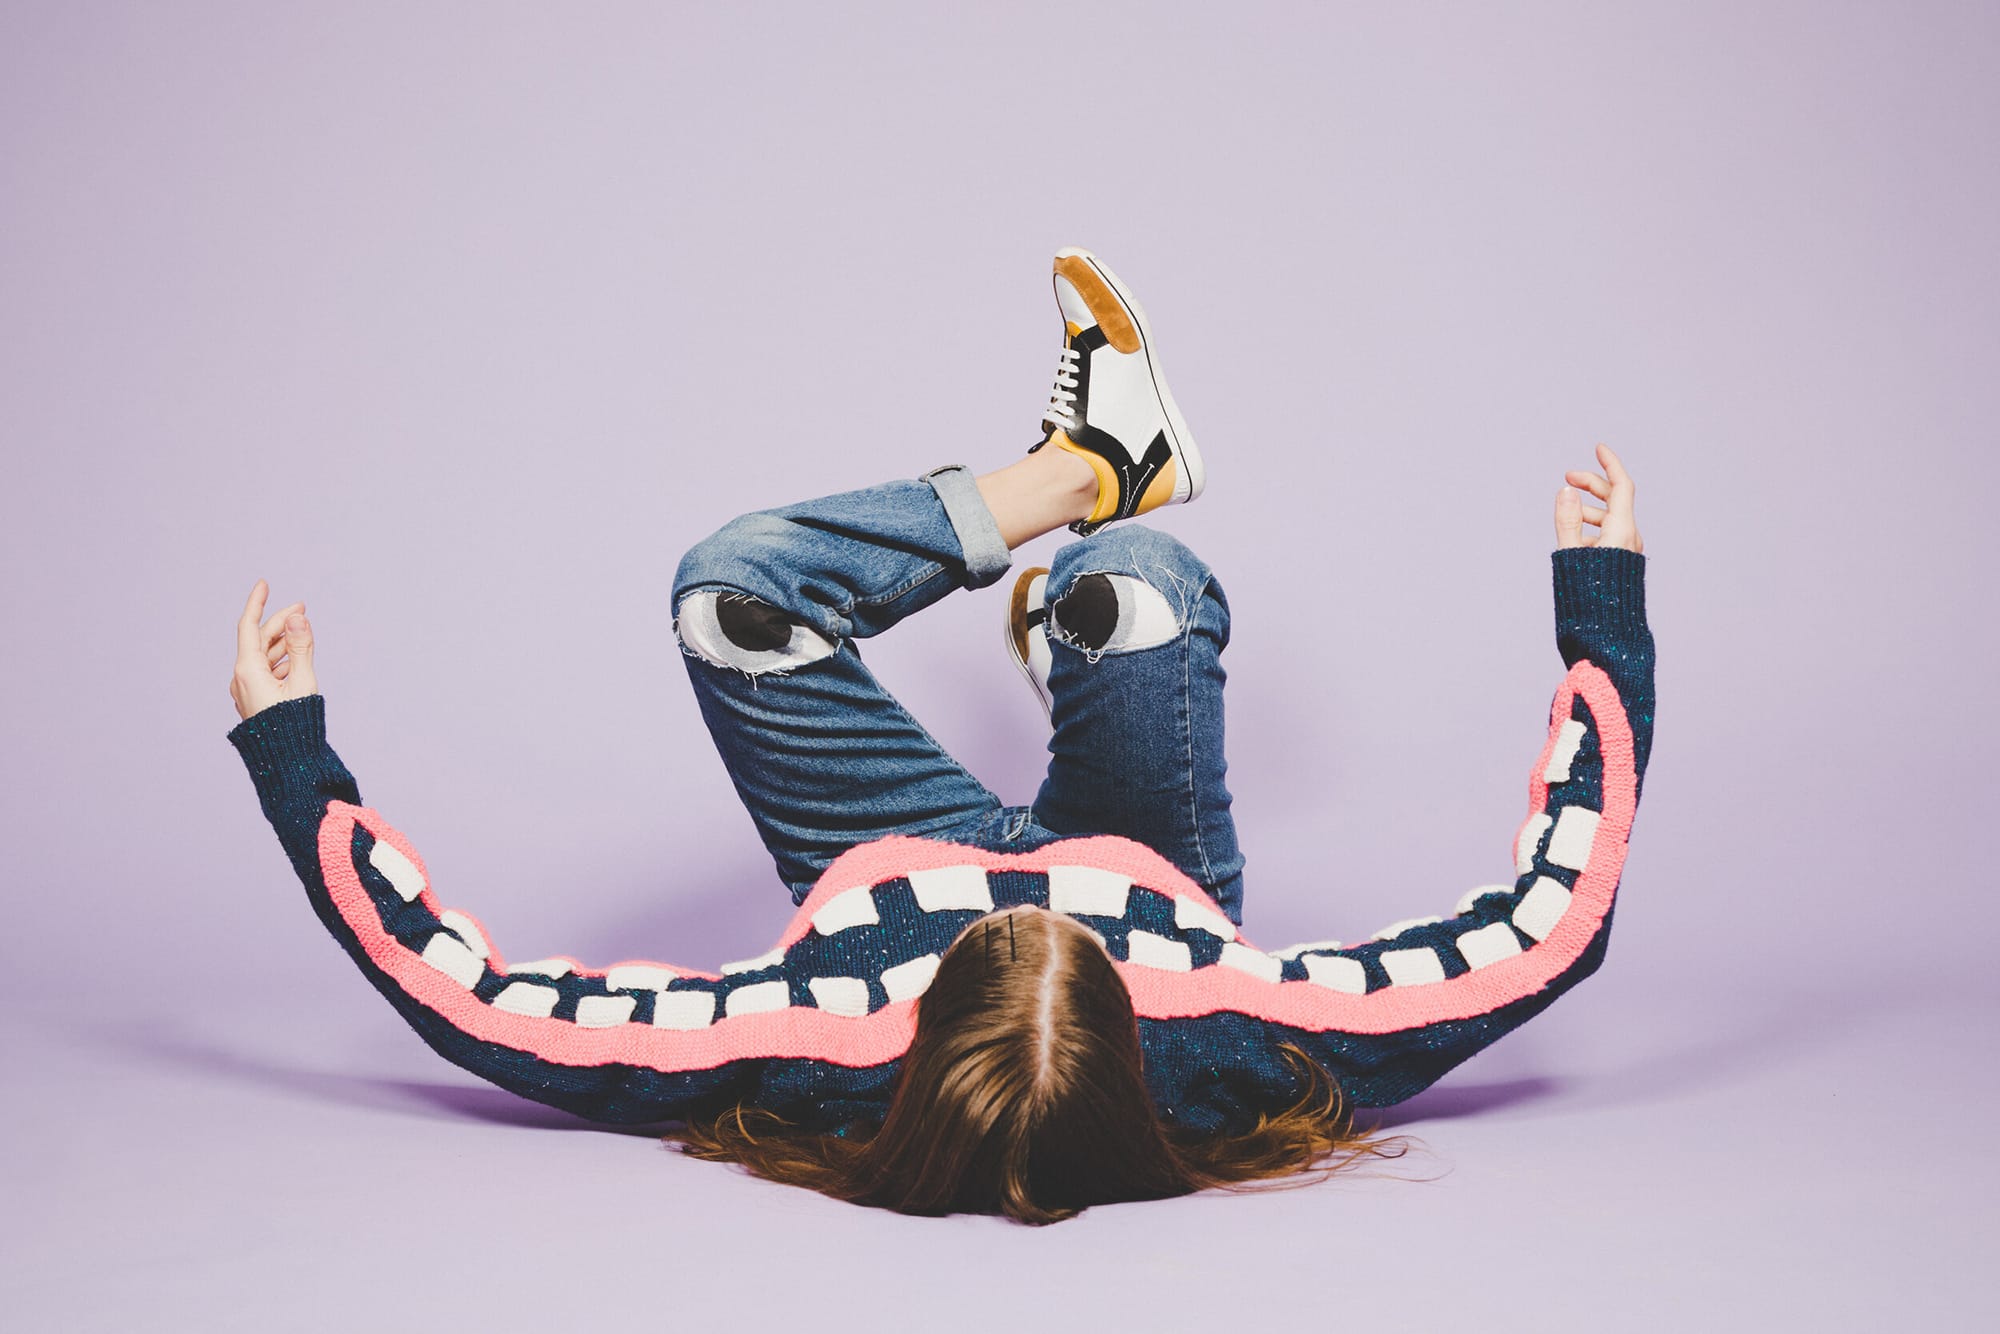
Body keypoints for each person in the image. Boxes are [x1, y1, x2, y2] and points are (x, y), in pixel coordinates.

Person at [228, 249, 1654, 1225]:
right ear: (1132, 1026)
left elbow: (483, 1000)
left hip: (885, 848)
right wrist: (1602, 612)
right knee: (1134, 588)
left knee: (726, 594)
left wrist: (296, 754)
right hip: (1136, 849)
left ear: (914, 1018)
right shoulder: (1234, 1037)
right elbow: (1550, 923)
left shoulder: (814, 1036)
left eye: (993, 954)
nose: (1028, 918)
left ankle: (1084, 472)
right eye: (1068, 955)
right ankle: (1096, 562)